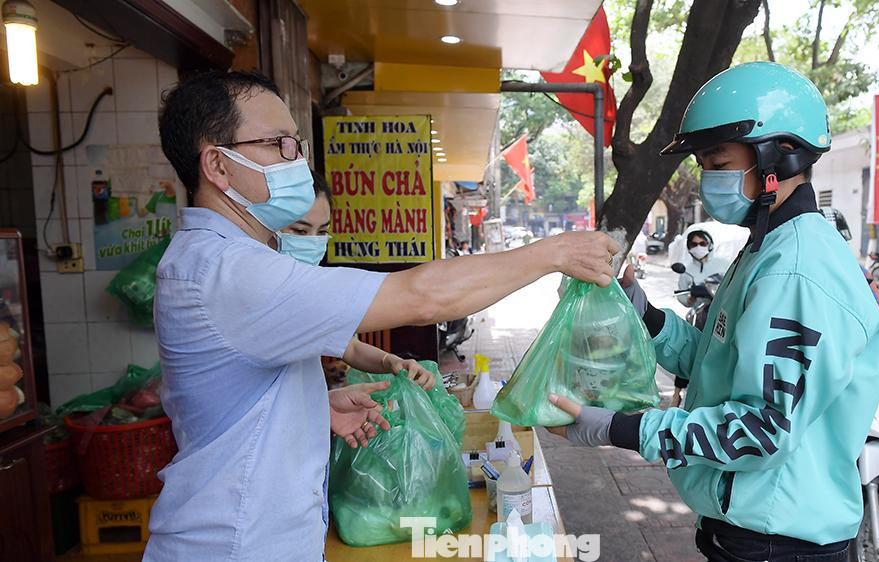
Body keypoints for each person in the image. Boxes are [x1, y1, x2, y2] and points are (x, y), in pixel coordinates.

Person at [147, 70, 618, 561]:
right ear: (219, 167)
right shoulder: (228, 272)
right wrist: (553, 253)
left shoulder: (224, 260)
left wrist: (309, 408)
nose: (297, 160)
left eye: (297, 143)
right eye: (280, 144)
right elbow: (421, 297)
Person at [545, 62, 879, 562]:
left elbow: (762, 430)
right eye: (703, 164)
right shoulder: (766, 247)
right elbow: (715, 361)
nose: (708, 179)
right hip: (747, 530)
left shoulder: (795, 272)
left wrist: (619, 427)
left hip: (779, 542)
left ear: (782, 155)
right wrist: (635, 307)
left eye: (718, 161)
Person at [277, 171, 438, 392]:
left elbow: (349, 346)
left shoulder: (312, 284)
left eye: (322, 231)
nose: (313, 241)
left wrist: (391, 362)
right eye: (300, 231)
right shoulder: (257, 289)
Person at [676, 229, 729, 309]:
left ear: (710, 245)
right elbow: (682, 295)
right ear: (689, 247)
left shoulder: (723, 264)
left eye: (702, 244)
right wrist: (691, 299)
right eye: (694, 244)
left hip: (723, 310)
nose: (698, 247)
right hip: (699, 314)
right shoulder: (687, 271)